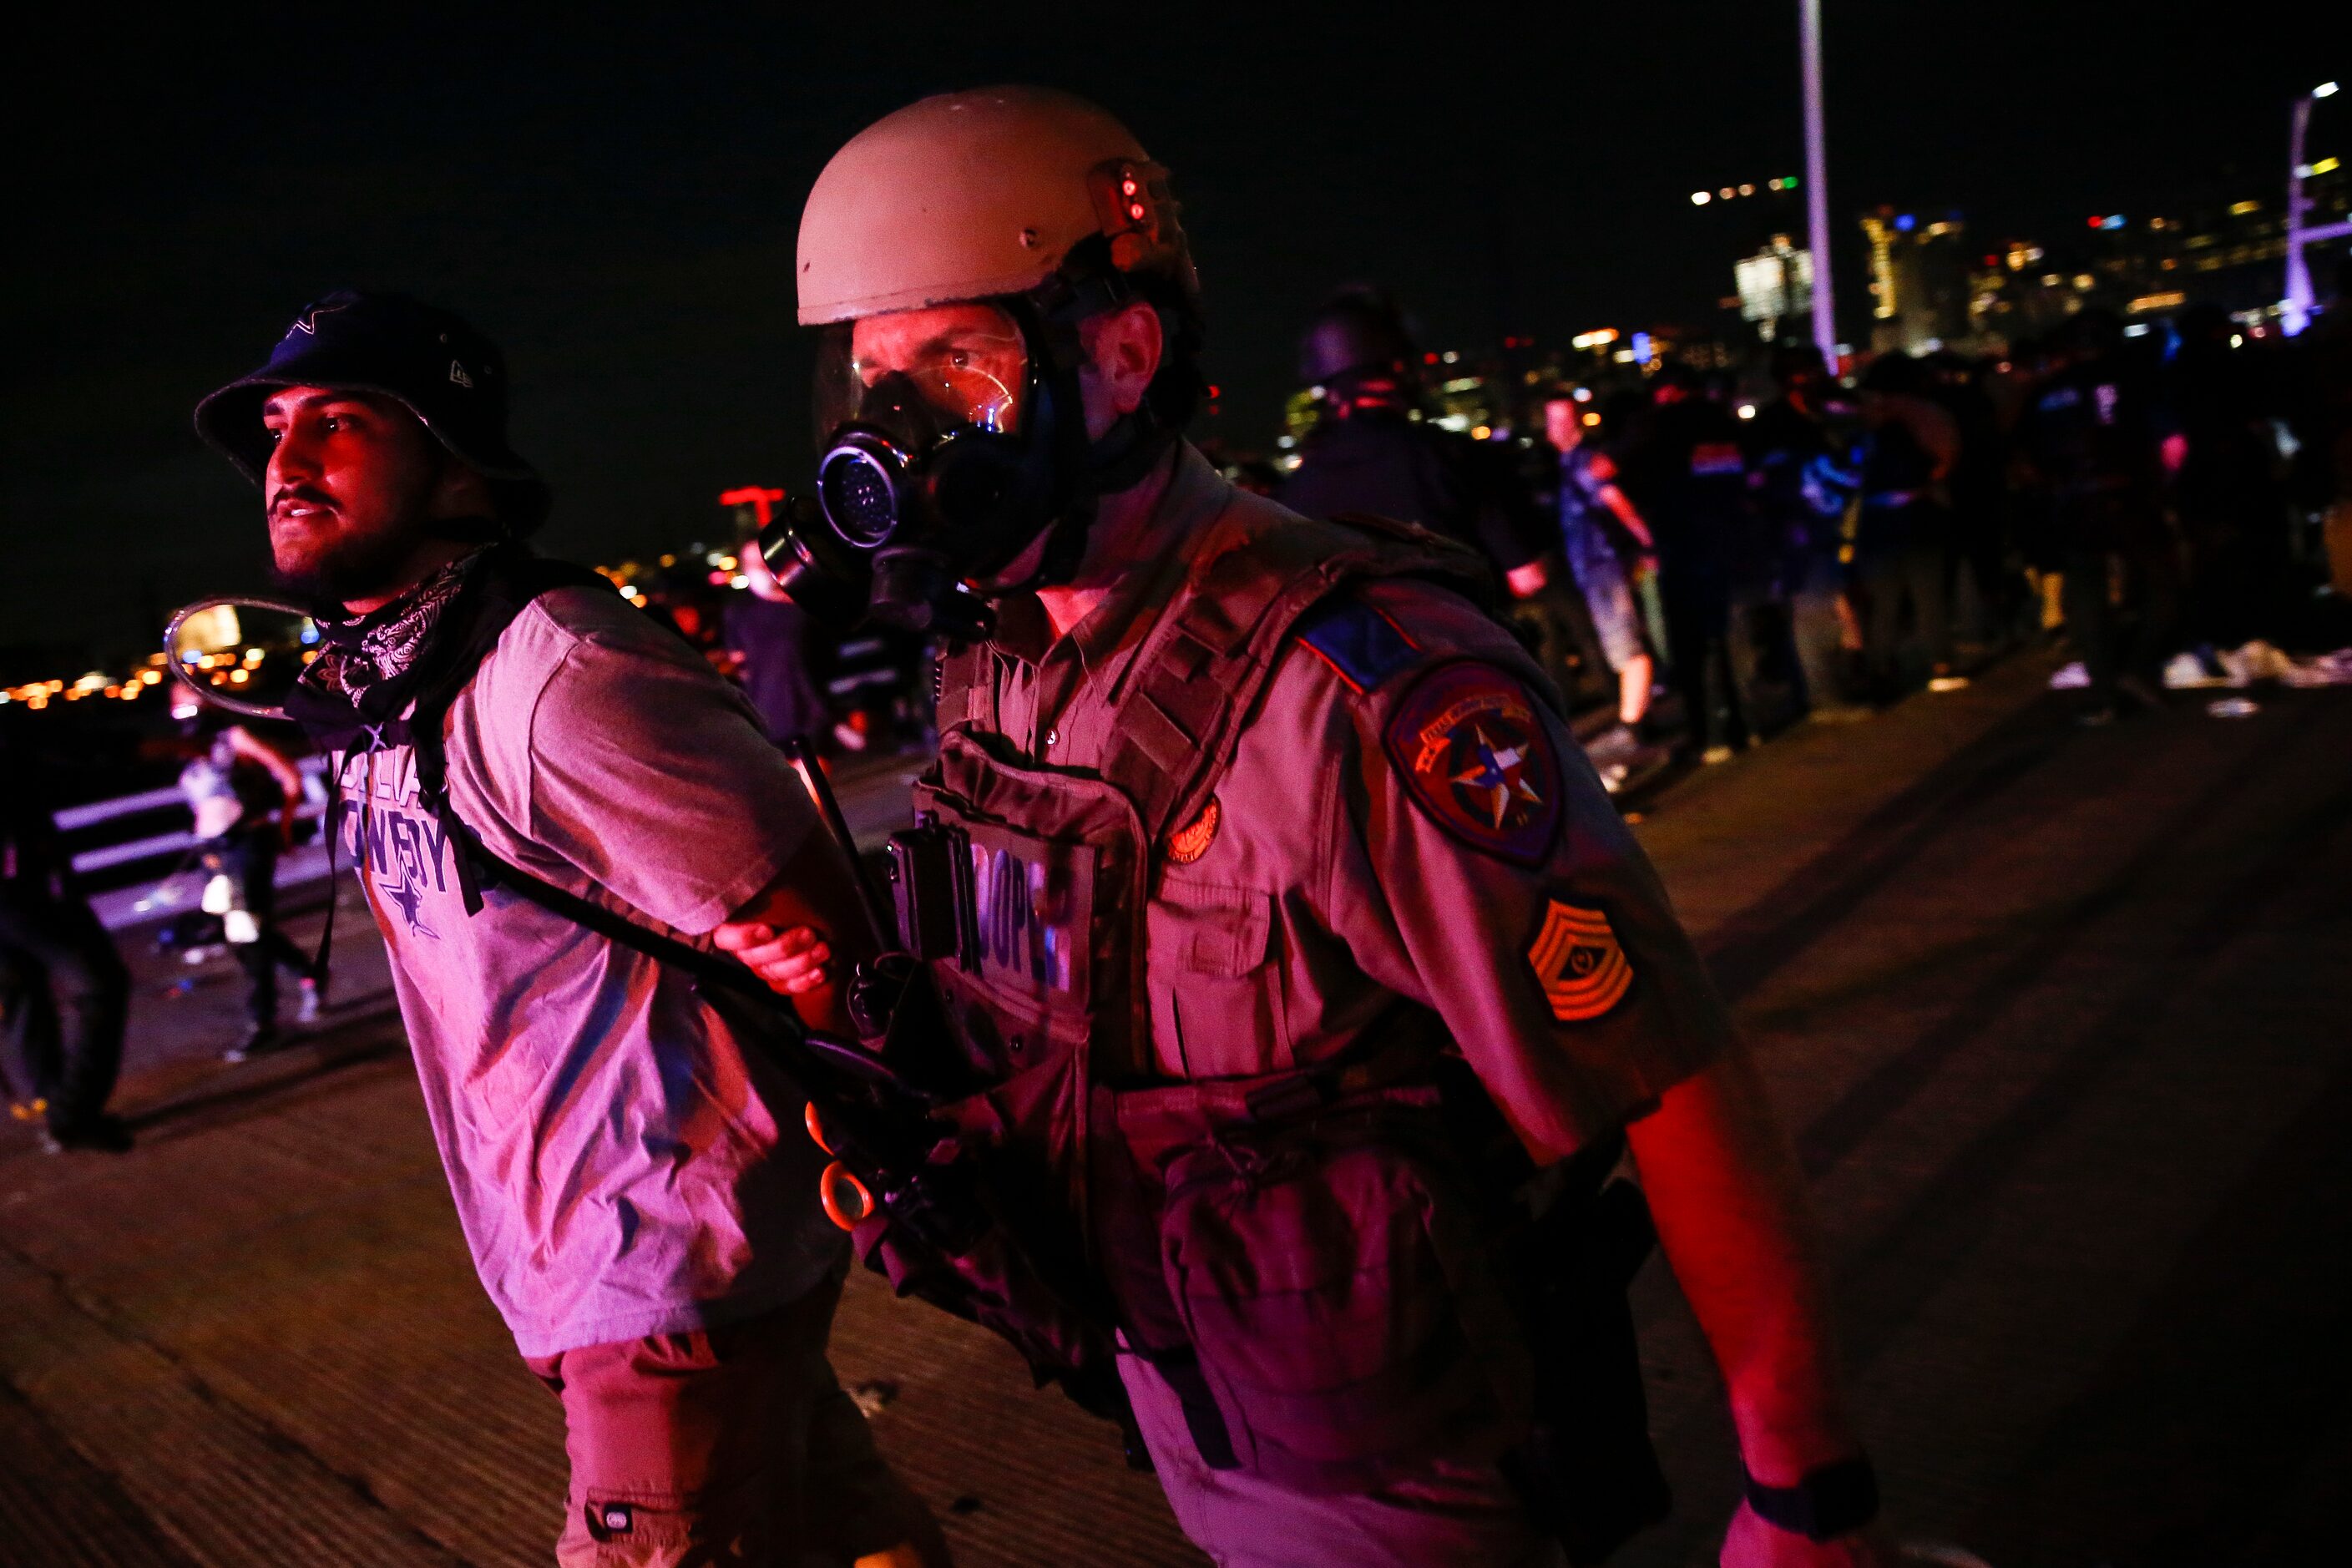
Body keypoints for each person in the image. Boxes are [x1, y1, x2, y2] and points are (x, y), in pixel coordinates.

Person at [767, 86, 1892, 1567]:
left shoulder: (1356, 678)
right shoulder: (1008, 658)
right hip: (1189, 1398)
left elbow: (1660, 1066)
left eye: (954, 362)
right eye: (875, 377)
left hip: (1398, 1471)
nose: (898, 430)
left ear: (1116, 352)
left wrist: (1802, 1486)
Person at [192, 291, 944, 1568]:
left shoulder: (559, 673)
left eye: (339, 420)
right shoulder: (389, 695)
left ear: (455, 460)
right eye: (273, 428)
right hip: (583, 1263)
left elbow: (828, 938)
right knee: (844, 1532)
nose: (286, 461)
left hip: (664, 1266)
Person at [2012, 311, 2176, 722]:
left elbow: (2024, 458)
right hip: (2129, 496)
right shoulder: (2132, 379)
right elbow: (2169, 439)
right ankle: (2137, 665)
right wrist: (2164, 486)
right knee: (2165, 581)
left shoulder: (2046, 392)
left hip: (2071, 504)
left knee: (2086, 596)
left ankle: (2104, 693)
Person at [1616, 364, 1763, 761]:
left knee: (1694, 645)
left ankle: (1711, 736)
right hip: (1734, 546)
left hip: (1683, 547)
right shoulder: (1726, 424)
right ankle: (1747, 726)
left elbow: (1618, 475)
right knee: (1734, 637)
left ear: (1666, 393)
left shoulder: (1657, 429)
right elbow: (1750, 478)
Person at [173, 695, 327, 1059]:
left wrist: (286, 826)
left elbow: (288, 773)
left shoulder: (235, 737)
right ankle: (308, 972)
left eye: (190, 703)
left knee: (248, 929)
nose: (183, 711)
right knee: (234, 930)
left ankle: (263, 1021)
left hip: (248, 843)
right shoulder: (190, 751)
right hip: (214, 852)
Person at [0, 732, 133, 1154]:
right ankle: (70, 1112)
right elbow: (76, 752)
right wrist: (152, 747)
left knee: (23, 999)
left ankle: (53, 1103)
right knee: (101, 987)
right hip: (24, 895)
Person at [1542, 392, 1661, 781]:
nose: (1557, 429)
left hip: (1603, 566)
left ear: (1579, 422)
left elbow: (1616, 501)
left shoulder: (1583, 463)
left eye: (1564, 420)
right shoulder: (1564, 465)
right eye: (1551, 421)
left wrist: (1646, 544)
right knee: (1623, 647)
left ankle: (1632, 731)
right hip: (1594, 569)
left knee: (1628, 649)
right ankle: (1635, 723)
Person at [1745, 344, 1863, 718]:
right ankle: (1823, 698)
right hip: (1795, 534)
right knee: (1813, 615)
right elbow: (1759, 485)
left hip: (1825, 526)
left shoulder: (1823, 417)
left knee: (1826, 610)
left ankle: (1823, 690)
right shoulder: (1773, 427)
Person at [1849, 354, 1960, 699]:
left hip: (1877, 521)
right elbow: (1947, 459)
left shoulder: (1865, 424)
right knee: (1928, 595)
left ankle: (1881, 669)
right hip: (1920, 515)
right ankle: (1941, 664)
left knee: (1884, 602)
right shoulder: (1930, 416)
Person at [724, 544, 834, 751]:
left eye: (766, 561)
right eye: (755, 563)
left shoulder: (805, 604)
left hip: (813, 709)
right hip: (769, 715)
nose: (763, 568)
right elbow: (739, 663)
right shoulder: (739, 612)